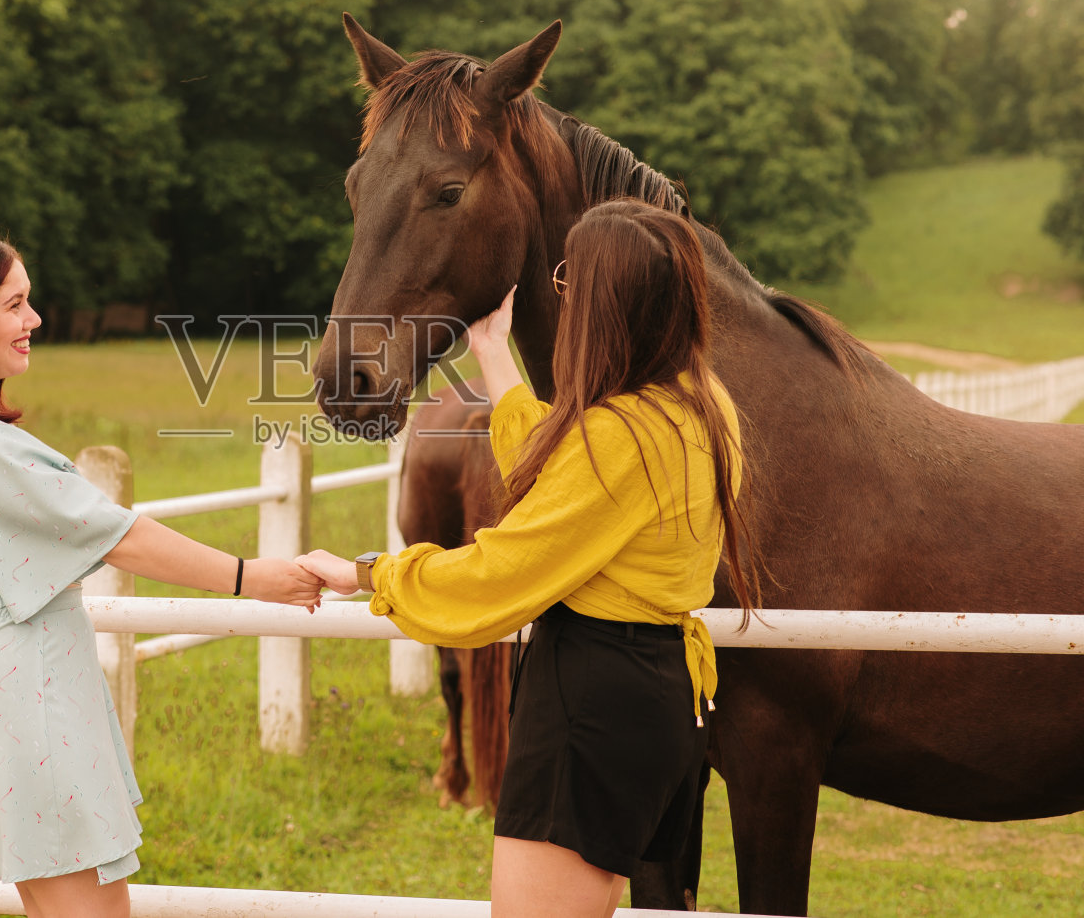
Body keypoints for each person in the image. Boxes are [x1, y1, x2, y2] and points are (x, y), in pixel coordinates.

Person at [299, 199, 758, 918]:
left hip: (592, 704)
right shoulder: (702, 407)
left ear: (605, 303)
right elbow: (564, 475)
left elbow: (499, 576)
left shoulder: (621, 438)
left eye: (573, 278)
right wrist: (494, 355)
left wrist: (368, 574)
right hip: (659, 700)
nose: (563, 293)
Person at [0, 231, 323, 918]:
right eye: (15, 305)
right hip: (25, 694)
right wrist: (252, 577)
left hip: (7, 685)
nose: (34, 321)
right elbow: (119, 535)